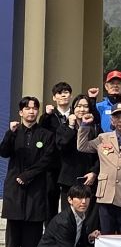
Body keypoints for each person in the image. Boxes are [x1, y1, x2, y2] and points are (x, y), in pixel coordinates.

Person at [1, 97, 55, 247]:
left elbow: (47, 160)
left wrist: (28, 175)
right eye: (27, 108)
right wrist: (10, 134)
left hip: (36, 185)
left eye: (34, 108)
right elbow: (4, 152)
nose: (31, 111)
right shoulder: (14, 132)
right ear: (20, 112)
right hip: (15, 185)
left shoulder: (46, 135)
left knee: (33, 224)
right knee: (14, 223)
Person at [77, 103, 121, 235]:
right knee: (106, 234)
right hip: (106, 195)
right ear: (111, 120)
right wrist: (84, 125)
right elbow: (82, 146)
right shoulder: (103, 138)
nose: (120, 120)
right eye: (116, 117)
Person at [55, 94, 100, 247]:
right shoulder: (65, 127)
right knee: (70, 220)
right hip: (69, 181)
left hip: (89, 181)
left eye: (85, 106)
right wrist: (70, 126)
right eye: (78, 106)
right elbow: (61, 146)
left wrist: (94, 172)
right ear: (73, 109)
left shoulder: (96, 129)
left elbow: (102, 155)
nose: (82, 109)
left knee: (89, 221)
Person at [39, 82, 73, 221]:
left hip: (70, 164)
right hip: (52, 165)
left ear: (71, 95)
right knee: (50, 198)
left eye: (66, 92)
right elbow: (41, 132)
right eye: (59, 93)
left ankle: (68, 228)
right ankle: (50, 230)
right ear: (54, 97)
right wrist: (46, 115)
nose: (63, 95)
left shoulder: (76, 114)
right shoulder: (49, 116)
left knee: (69, 200)